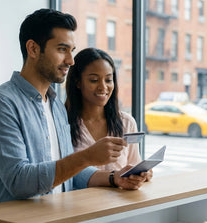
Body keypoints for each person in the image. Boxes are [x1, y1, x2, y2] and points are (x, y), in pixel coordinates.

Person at [0, 9, 147, 206]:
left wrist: (114, 177)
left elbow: (69, 170)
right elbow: (19, 181)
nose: (70, 61)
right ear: (32, 49)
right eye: (62, 49)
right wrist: (87, 156)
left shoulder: (56, 105)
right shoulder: (0, 105)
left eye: (71, 51)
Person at [65, 47, 152, 180]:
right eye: (94, 80)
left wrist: (142, 174)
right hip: (79, 200)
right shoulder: (63, 122)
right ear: (77, 82)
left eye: (108, 80)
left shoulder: (126, 122)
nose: (103, 87)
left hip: (120, 200)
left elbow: (133, 164)